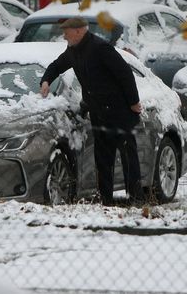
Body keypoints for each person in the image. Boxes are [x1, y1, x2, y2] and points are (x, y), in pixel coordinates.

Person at [40, 17, 144, 205]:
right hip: (98, 112)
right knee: (103, 158)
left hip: (119, 112)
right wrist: (46, 80)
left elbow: (125, 74)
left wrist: (134, 102)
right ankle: (105, 199)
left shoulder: (100, 48)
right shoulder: (73, 51)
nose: (64, 36)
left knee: (128, 156)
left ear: (79, 31)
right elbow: (57, 65)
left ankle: (135, 198)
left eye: (67, 32)